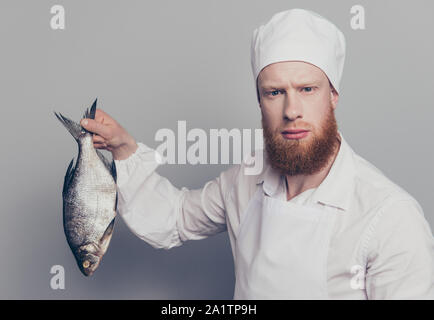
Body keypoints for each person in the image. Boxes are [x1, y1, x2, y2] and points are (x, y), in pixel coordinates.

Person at [80, 8, 434, 299]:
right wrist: (125, 150)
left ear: (333, 96)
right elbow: (173, 219)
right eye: (274, 92)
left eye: (307, 89)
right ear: (260, 101)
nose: (292, 109)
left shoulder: (391, 218)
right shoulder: (245, 180)